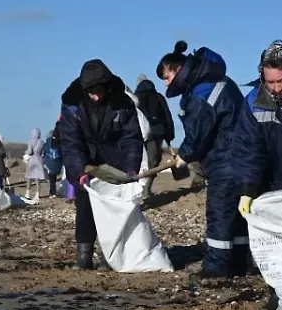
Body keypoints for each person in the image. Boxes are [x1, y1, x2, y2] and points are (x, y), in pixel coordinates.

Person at [158, 40, 260, 279]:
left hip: (225, 160)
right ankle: (239, 262)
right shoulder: (215, 81)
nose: (166, 82)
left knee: (220, 213)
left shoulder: (201, 93)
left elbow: (199, 133)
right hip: (242, 158)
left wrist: (184, 155)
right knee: (237, 216)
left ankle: (216, 267)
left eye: (166, 76)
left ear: (177, 69)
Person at [60, 58, 144, 270]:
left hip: (113, 164)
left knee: (112, 212)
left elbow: (131, 138)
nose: (95, 95)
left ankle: (110, 257)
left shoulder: (123, 104)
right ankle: (84, 256)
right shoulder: (72, 106)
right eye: (90, 91)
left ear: (106, 85)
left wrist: (131, 167)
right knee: (85, 210)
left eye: (99, 89)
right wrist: (79, 171)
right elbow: (71, 142)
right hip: (86, 163)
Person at [134, 73, 176, 197]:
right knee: (153, 161)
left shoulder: (135, 98)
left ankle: (141, 190)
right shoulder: (158, 97)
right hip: (158, 132)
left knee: (141, 162)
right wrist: (170, 134)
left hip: (140, 134)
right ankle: (146, 188)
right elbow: (167, 116)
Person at [42, 124, 63, 199]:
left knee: (52, 180)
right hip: (57, 163)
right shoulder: (59, 142)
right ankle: (53, 192)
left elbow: (44, 152)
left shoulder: (47, 143)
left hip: (49, 164)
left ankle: (52, 193)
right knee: (53, 179)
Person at [24, 128, 46, 199]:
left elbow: (30, 152)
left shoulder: (30, 141)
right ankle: (37, 194)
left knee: (29, 177)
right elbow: (43, 153)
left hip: (32, 160)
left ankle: (27, 193)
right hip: (39, 160)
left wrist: (26, 152)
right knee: (37, 178)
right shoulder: (42, 142)